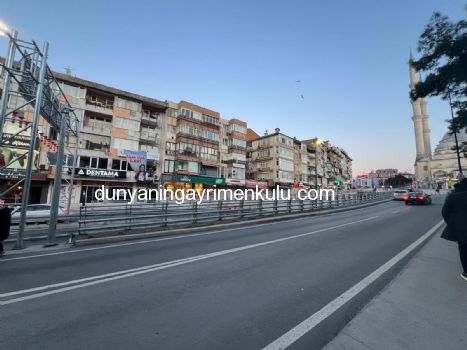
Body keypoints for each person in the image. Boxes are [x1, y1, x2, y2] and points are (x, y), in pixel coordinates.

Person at [441, 177, 467, 282]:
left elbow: (445, 212)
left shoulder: (454, 197)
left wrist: (453, 224)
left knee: (464, 250)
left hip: (461, 230)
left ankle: (466, 272)